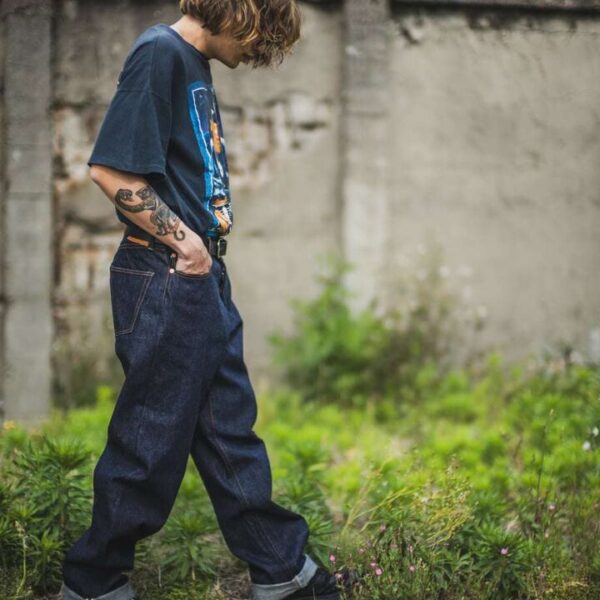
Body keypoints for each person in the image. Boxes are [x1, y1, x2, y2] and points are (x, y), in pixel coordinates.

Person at [60, 1, 355, 600]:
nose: (257, 54)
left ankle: (282, 571)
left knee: (228, 431)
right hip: (168, 268)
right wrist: (186, 242)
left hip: (197, 274)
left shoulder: (192, 63)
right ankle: (92, 581)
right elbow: (112, 172)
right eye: (261, 37)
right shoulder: (159, 54)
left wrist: (201, 257)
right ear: (241, 12)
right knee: (150, 437)